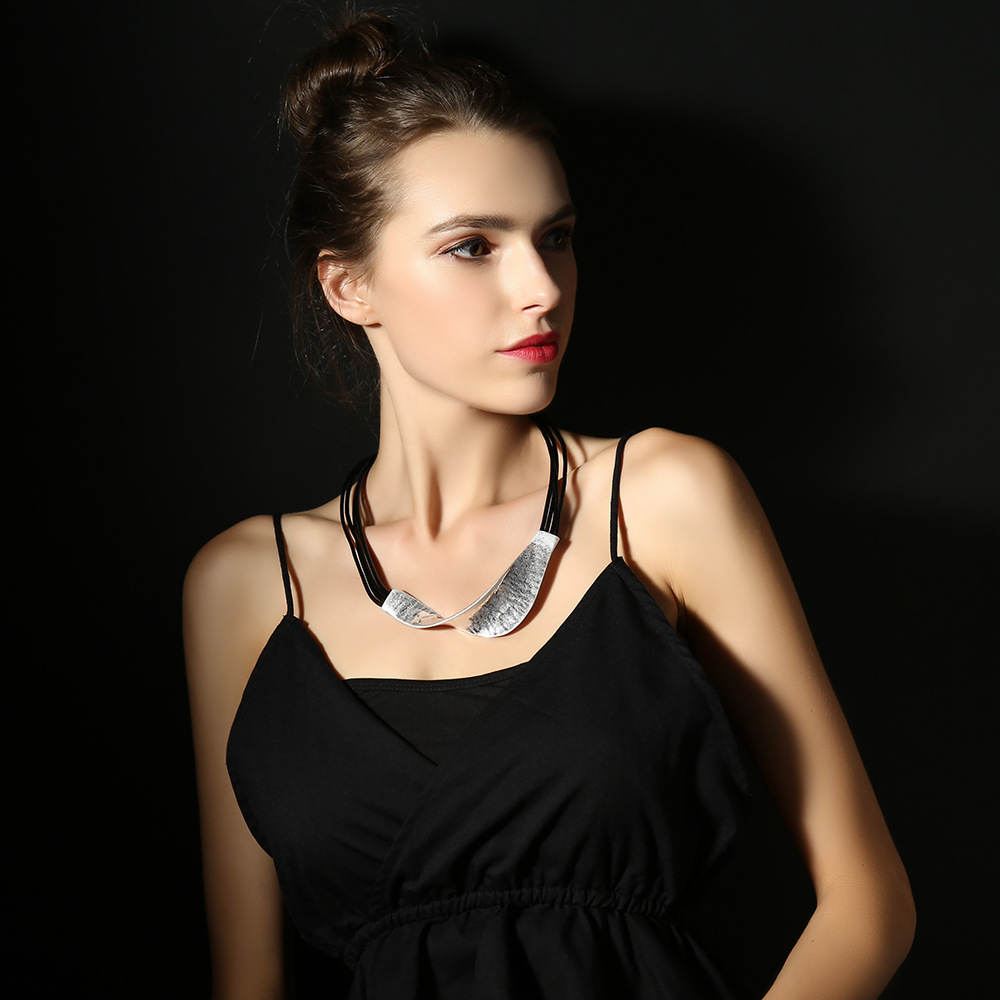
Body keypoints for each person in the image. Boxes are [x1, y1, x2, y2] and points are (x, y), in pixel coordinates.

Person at [183, 10, 915, 999]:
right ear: (350, 286)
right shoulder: (244, 584)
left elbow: (868, 904)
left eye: (556, 238)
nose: (541, 288)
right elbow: (246, 981)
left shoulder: (663, 497)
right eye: (472, 246)